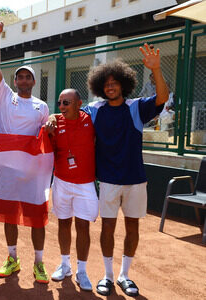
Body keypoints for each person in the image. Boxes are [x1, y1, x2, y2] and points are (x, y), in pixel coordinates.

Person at [83, 44, 167, 297]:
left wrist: (157, 69)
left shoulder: (136, 107)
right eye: (106, 84)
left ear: (123, 84)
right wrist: (54, 117)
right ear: (100, 86)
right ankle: (108, 276)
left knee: (133, 228)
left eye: (114, 83)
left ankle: (124, 275)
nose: (110, 87)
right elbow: (71, 115)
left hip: (135, 180)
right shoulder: (94, 109)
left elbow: (162, 98)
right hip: (108, 181)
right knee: (107, 228)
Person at [0, 21, 50, 283]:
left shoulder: (42, 106)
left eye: (28, 76)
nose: (23, 80)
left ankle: (39, 262)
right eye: (20, 76)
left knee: (36, 217)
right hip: (7, 170)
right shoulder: (4, 96)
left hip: (33, 173)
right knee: (9, 216)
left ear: (34, 81)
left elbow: (45, 137)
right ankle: (12, 258)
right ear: (14, 81)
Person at [45, 89, 98, 291]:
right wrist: (49, 125)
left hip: (85, 184)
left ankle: (82, 271)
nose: (62, 107)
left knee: (83, 226)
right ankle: (65, 265)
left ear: (79, 103)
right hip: (61, 182)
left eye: (66, 102)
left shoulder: (91, 120)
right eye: (59, 103)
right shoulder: (55, 122)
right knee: (64, 223)